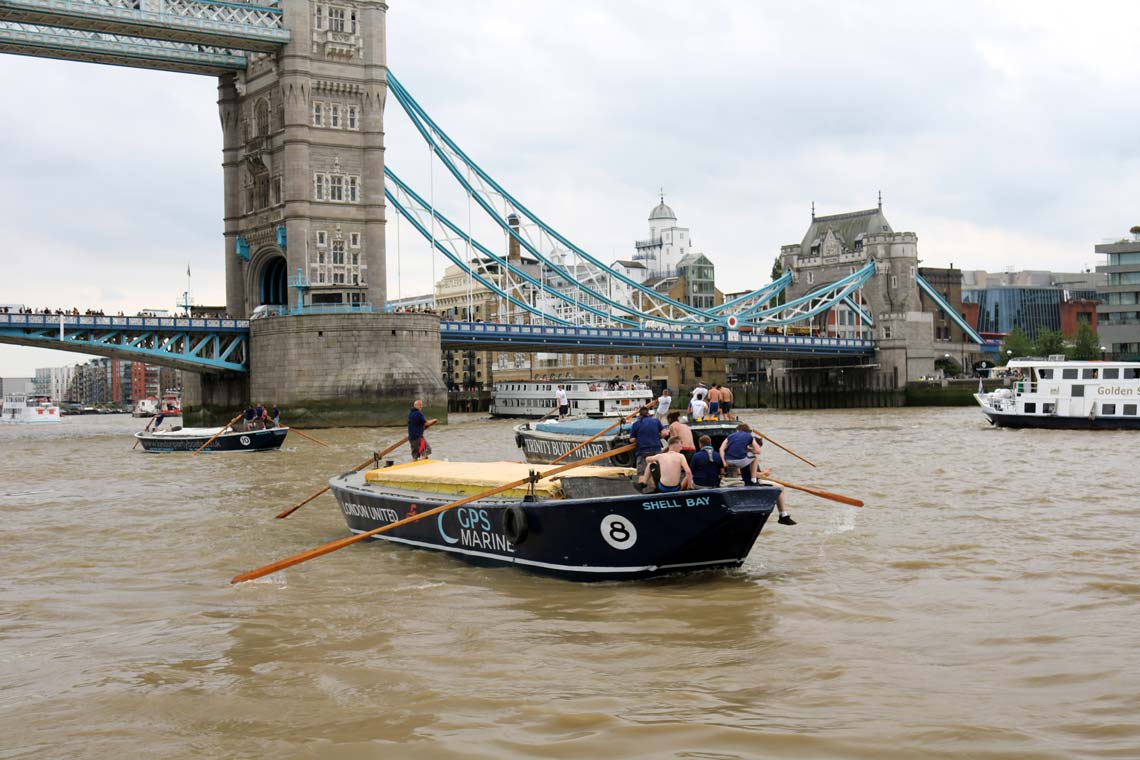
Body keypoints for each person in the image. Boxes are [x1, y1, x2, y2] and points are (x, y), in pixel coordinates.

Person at [720, 424, 795, 525]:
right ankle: (783, 514)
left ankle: (783, 515)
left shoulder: (741, 454)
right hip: (747, 481)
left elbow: (753, 471)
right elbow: (743, 473)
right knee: (780, 487)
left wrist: (762, 473)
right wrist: (763, 474)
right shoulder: (747, 456)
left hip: (750, 478)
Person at [629, 405, 665, 480]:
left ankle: (642, 486)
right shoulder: (656, 421)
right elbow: (665, 433)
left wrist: (639, 439)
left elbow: (632, 440)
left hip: (643, 451)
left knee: (642, 472)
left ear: (640, 415)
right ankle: (657, 488)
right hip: (656, 449)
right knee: (657, 472)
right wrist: (657, 437)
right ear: (648, 414)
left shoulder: (636, 424)